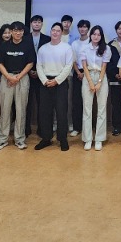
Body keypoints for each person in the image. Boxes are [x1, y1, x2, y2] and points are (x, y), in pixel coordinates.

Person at [0, 21, 36, 150]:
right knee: (5, 109)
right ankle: (2, 139)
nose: (18, 33)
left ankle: (19, 139)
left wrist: (18, 77)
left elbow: (30, 63)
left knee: (21, 109)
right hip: (7, 79)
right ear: (11, 32)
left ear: (23, 32)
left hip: (22, 78)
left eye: (20, 31)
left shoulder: (28, 45)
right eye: (15, 30)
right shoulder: (4, 46)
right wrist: (8, 76)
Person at [35, 23, 74, 151]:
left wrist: (56, 81)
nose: (55, 32)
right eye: (53, 30)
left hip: (60, 83)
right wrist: (45, 80)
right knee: (45, 112)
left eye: (58, 31)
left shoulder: (67, 48)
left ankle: (62, 139)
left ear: (61, 33)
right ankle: (46, 138)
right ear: (50, 31)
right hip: (45, 82)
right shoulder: (43, 48)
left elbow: (68, 66)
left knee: (61, 112)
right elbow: (39, 66)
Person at [80, 25, 110, 151]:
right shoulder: (84, 48)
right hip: (88, 76)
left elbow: (104, 67)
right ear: (90, 35)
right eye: (94, 34)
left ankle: (99, 139)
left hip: (101, 77)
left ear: (101, 36)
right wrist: (90, 82)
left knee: (101, 109)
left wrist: (99, 82)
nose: (96, 36)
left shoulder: (106, 48)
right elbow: (84, 66)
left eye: (98, 34)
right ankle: (87, 139)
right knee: (87, 109)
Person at [26, 15, 50, 138]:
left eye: (39, 22)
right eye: (34, 22)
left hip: (43, 76)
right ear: (31, 24)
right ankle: (26, 129)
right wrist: (29, 70)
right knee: (27, 103)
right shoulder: (25, 38)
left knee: (43, 104)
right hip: (27, 75)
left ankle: (42, 129)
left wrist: (39, 72)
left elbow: (49, 58)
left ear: (42, 24)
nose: (36, 24)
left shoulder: (47, 39)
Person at [68, 19, 90, 137]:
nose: (82, 29)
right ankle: (77, 127)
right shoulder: (75, 43)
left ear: (88, 29)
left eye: (85, 27)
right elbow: (73, 60)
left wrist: (86, 73)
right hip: (78, 74)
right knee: (76, 101)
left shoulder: (91, 42)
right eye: (80, 27)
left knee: (88, 101)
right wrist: (78, 72)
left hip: (90, 73)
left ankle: (88, 127)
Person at [107, 21, 121, 136]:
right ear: (116, 30)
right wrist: (115, 74)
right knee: (116, 104)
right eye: (119, 28)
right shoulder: (111, 44)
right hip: (115, 79)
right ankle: (117, 127)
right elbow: (107, 62)